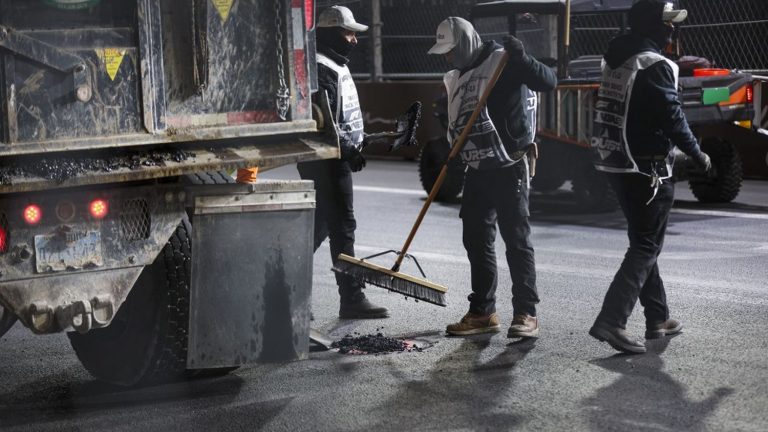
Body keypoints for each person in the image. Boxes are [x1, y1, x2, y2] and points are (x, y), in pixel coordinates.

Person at [588, 0, 712, 353]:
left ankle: (658, 317)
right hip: (648, 168)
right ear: (653, 26)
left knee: (644, 240)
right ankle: (612, 320)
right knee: (645, 245)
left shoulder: (615, 57)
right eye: (668, 24)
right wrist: (697, 152)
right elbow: (671, 118)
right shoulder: (655, 64)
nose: (673, 30)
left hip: (617, 162)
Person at [427, 17, 557, 337]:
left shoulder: (504, 61)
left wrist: (524, 59)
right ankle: (483, 312)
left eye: (451, 50)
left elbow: (548, 81)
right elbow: (457, 120)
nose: (447, 57)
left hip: (509, 163)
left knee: (516, 239)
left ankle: (526, 313)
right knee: (475, 236)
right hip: (478, 168)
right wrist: (454, 155)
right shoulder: (460, 75)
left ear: (467, 42)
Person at [297, 5, 388, 319]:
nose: (354, 39)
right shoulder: (322, 67)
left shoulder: (333, 64)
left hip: (334, 157)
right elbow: (322, 120)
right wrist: (349, 149)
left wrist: (365, 140)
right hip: (326, 160)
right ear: (330, 34)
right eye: (348, 32)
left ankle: (286, 294)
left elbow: (340, 116)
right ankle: (349, 299)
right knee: (341, 226)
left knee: (322, 226)